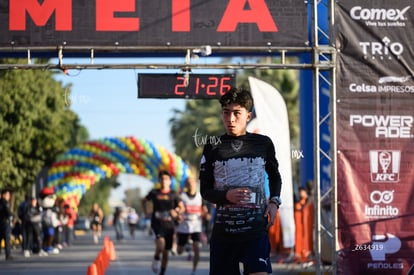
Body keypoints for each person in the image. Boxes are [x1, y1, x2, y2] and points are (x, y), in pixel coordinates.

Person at [199, 87, 283, 275]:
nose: (231, 119)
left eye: (237, 113)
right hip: (224, 235)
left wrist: (274, 201)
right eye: (226, 113)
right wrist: (226, 196)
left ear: (248, 115)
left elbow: (275, 176)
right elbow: (205, 190)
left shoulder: (263, 143)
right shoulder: (212, 146)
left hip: (255, 232)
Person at [142, 170, 184, 275]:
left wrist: (176, 211)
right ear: (159, 181)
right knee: (160, 244)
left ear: (170, 181)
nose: (164, 181)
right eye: (162, 179)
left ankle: (162, 272)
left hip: (169, 225)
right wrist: (146, 212)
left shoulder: (173, 194)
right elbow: (143, 201)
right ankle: (156, 258)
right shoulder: (154, 193)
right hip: (157, 223)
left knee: (166, 253)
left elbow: (182, 207)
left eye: (166, 179)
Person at [176, 177, 208, 275]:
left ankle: (194, 271)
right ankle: (185, 245)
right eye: (188, 183)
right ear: (186, 185)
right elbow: (178, 208)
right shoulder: (182, 196)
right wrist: (178, 214)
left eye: (192, 183)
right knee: (179, 251)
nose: (190, 185)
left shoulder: (200, 196)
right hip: (184, 225)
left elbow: (204, 209)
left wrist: (206, 214)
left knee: (197, 248)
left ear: (195, 184)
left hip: (196, 225)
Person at [0, 189, 14, 260]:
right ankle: (8, 254)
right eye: (7, 195)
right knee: (7, 239)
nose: (9, 196)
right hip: (4, 223)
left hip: (2, 222)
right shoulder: (4, 203)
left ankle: (8, 254)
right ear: (3, 195)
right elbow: (7, 212)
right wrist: (11, 215)